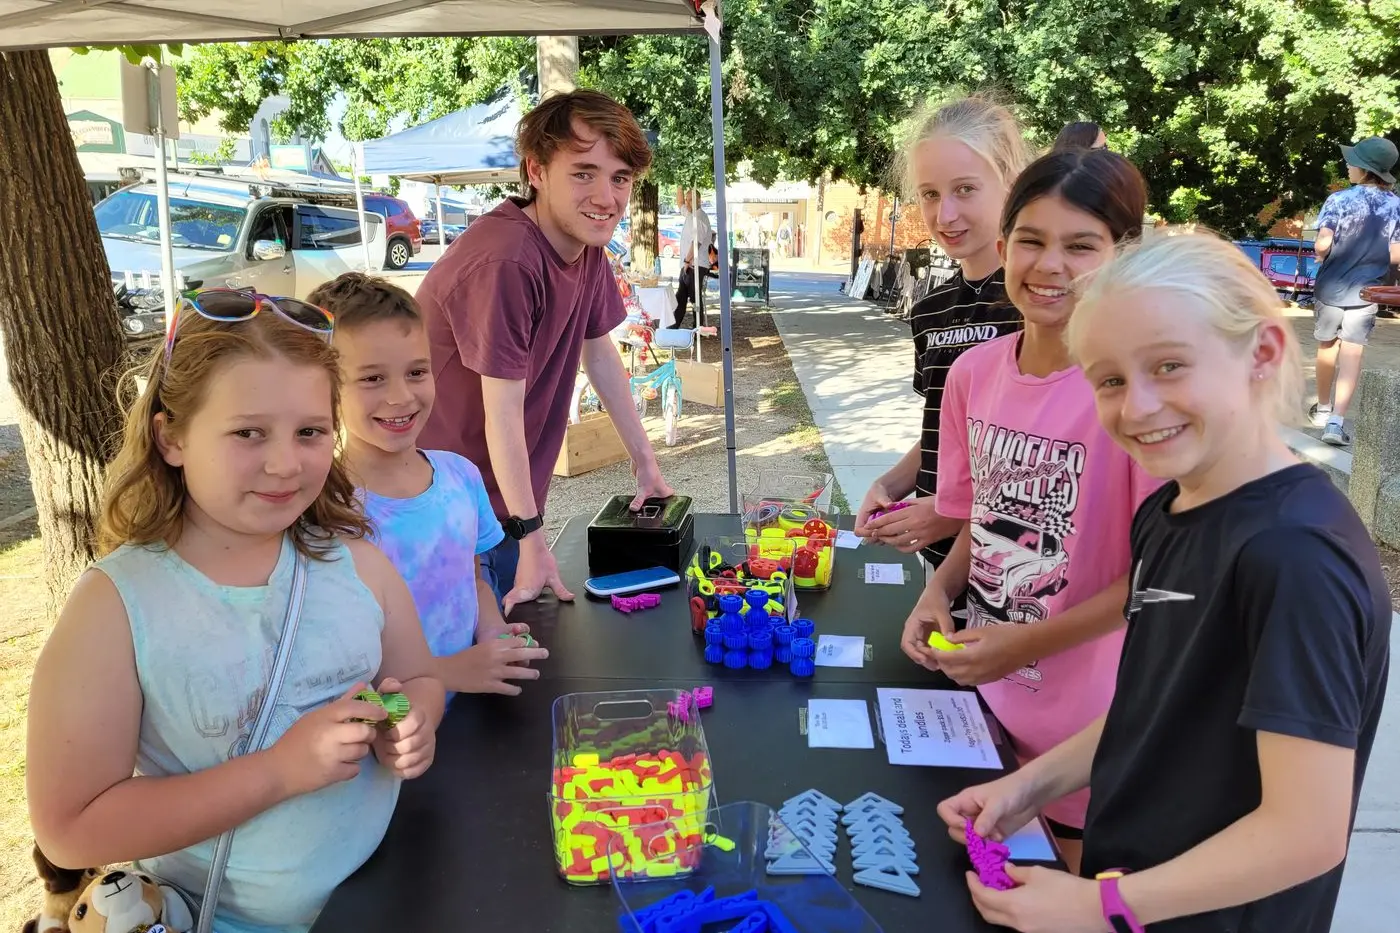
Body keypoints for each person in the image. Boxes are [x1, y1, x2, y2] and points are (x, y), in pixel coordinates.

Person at [937, 230, 1391, 933]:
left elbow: (1308, 829)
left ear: (1262, 353)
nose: (1139, 406)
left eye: (1170, 366)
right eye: (1110, 379)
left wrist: (1101, 905)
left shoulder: (1295, 555)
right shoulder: (1168, 510)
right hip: (1131, 890)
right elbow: (1153, 709)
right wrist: (1027, 786)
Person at [26, 292, 446, 933]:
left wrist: (415, 721)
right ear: (172, 437)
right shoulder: (115, 607)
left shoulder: (361, 568)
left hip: (390, 893)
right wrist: (278, 772)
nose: (285, 463)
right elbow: (70, 829)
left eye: (310, 431)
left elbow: (417, 678)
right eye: (249, 432)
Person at [904, 148, 1157, 870]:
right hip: (978, 703)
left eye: (1081, 246)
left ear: (1121, 256)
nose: (1050, 265)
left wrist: (1028, 643)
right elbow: (984, 516)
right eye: (1032, 240)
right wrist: (939, 589)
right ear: (1005, 244)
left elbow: (1155, 581)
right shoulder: (973, 372)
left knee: (1062, 891)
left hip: (1086, 733)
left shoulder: (1134, 398)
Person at [414, 89, 674, 616]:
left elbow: (599, 354)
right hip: (446, 509)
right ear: (536, 171)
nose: (607, 196)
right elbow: (501, 411)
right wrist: (532, 535)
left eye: (620, 177)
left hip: (504, 504)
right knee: (470, 674)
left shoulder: (588, 247)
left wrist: (645, 464)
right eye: (584, 173)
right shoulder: (507, 260)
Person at [310, 273, 551, 700]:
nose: (401, 396)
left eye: (417, 371)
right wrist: (446, 673)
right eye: (372, 379)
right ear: (323, 388)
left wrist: (493, 632)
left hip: (470, 712)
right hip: (391, 737)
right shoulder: (323, 507)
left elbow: (473, 581)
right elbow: (334, 660)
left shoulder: (461, 476)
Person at [854, 93, 1036, 583]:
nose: (945, 214)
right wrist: (891, 483)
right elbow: (940, 429)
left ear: (1012, 185)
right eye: (930, 194)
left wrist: (952, 511)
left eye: (966, 189)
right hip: (938, 562)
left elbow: (1045, 453)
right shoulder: (931, 310)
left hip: (1017, 563)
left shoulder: (1038, 304)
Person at [1308, 135, 1400, 446]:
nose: (1348, 166)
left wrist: (1321, 252)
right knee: (1353, 353)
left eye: (1352, 163)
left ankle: (1321, 409)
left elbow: (1322, 243)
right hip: (1367, 292)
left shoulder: (1338, 200)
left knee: (1326, 347)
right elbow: (1396, 254)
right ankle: (1336, 422)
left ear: (1364, 169)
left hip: (1331, 288)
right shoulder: (1395, 205)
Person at [673, 187, 716, 328]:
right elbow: (680, 204)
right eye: (687, 200)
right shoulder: (690, 215)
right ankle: (674, 325)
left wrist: (687, 261)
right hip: (689, 264)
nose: (688, 203)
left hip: (695, 264)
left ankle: (698, 327)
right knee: (681, 296)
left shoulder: (700, 217)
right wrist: (679, 184)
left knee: (694, 296)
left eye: (691, 199)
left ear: (699, 200)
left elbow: (696, 243)